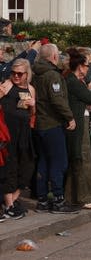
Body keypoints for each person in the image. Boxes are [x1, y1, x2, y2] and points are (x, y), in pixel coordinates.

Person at [32, 43, 80, 213]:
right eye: (58, 55)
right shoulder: (52, 75)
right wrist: (70, 117)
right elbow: (57, 100)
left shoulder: (35, 72)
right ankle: (58, 200)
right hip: (52, 123)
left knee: (44, 161)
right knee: (59, 162)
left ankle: (43, 199)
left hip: (40, 123)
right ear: (53, 56)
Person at [64, 49, 91, 209]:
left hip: (80, 122)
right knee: (80, 160)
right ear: (80, 67)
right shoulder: (73, 81)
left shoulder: (74, 80)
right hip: (76, 126)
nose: (88, 69)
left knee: (81, 160)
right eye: (86, 65)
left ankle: (76, 197)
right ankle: (81, 197)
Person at [0, 59, 36, 219]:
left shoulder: (30, 88)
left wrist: (33, 104)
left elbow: (32, 113)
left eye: (19, 74)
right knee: (10, 167)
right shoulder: (7, 85)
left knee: (28, 165)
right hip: (8, 133)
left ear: (27, 74)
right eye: (13, 73)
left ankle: (12, 201)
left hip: (24, 132)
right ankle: (9, 205)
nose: (15, 76)